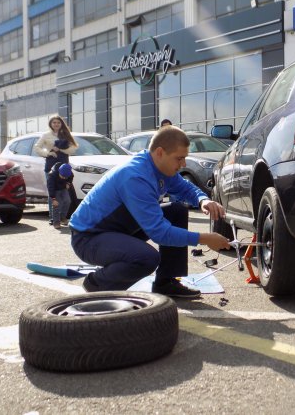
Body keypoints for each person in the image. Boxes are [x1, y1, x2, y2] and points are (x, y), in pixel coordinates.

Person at [69, 126, 231, 298]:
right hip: (88, 238)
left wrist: (203, 200)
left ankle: (166, 282)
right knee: (146, 258)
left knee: (176, 211)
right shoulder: (136, 176)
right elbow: (160, 233)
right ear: (160, 152)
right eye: (180, 158)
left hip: (117, 229)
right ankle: (97, 285)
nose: (183, 164)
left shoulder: (160, 167)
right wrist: (205, 239)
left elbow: (185, 188)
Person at [34, 116, 78, 225]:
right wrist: (48, 153)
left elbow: (73, 149)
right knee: (52, 192)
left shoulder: (66, 134)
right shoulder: (46, 135)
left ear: (61, 123)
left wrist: (61, 149)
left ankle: (63, 217)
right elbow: (37, 148)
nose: (56, 124)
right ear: (51, 124)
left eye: (58, 122)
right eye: (54, 122)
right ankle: (53, 218)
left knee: (65, 194)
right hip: (50, 167)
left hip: (63, 168)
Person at [47, 162, 74, 230]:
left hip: (63, 188)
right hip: (55, 190)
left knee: (68, 201)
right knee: (56, 205)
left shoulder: (69, 173)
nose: (64, 178)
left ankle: (63, 217)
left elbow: (71, 177)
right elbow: (50, 188)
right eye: (62, 176)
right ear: (59, 171)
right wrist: (53, 199)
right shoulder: (52, 175)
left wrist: (68, 183)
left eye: (66, 177)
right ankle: (56, 222)